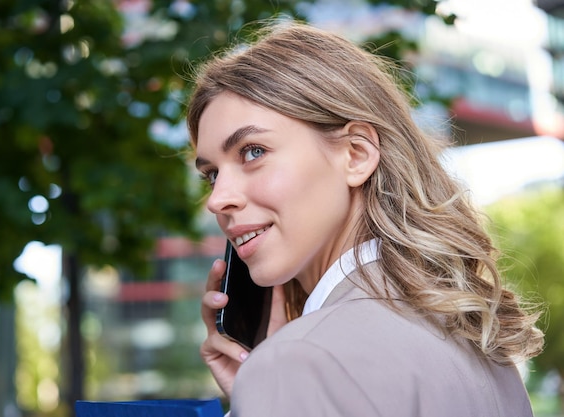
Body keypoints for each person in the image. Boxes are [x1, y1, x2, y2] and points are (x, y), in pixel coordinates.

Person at [186, 20, 544, 416]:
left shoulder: (301, 361)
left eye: (253, 152)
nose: (217, 200)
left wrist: (275, 381)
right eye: (212, 174)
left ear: (356, 154)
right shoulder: (476, 344)